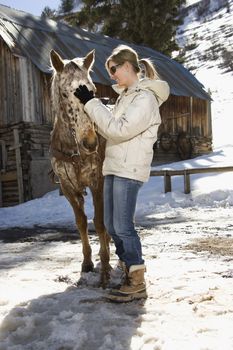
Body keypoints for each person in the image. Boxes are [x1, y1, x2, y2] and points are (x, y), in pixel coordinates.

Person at [74, 45, 170, 302]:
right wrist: (93, 106)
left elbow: (118, 130)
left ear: (128, 66)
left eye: (114, 69)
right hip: (115, 166)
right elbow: (110, 127)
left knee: (123, 227)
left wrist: (92, 104)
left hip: (130, 169)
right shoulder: (126, 98)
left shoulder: (145, 99)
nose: (112, 75)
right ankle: (128, 270)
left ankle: (137, 280)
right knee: (111, 226)